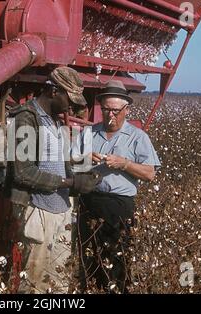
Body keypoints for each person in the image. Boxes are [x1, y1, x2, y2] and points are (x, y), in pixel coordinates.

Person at [7, 67, 101, 293]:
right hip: (37, 211)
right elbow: (23, 172)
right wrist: (70, 184)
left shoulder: (55, 121)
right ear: (53, 91)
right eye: (70, 100)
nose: (73, 107)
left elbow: (56, 160)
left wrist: (80, 169)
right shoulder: (26, 119)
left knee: (58, 281)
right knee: (35, 283)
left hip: (60, 209)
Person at [74, 80, 161, 293]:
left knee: (117, 259)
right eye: (105, 110)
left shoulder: (138, 137)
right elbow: (71, 161)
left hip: (119, 206)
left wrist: (125, 164)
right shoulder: (89, 133)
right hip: (88, 203)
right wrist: (85, 159)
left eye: (115, 110)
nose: (109, 115)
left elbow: (150, 173)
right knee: (88, 259)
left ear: (126, 110)